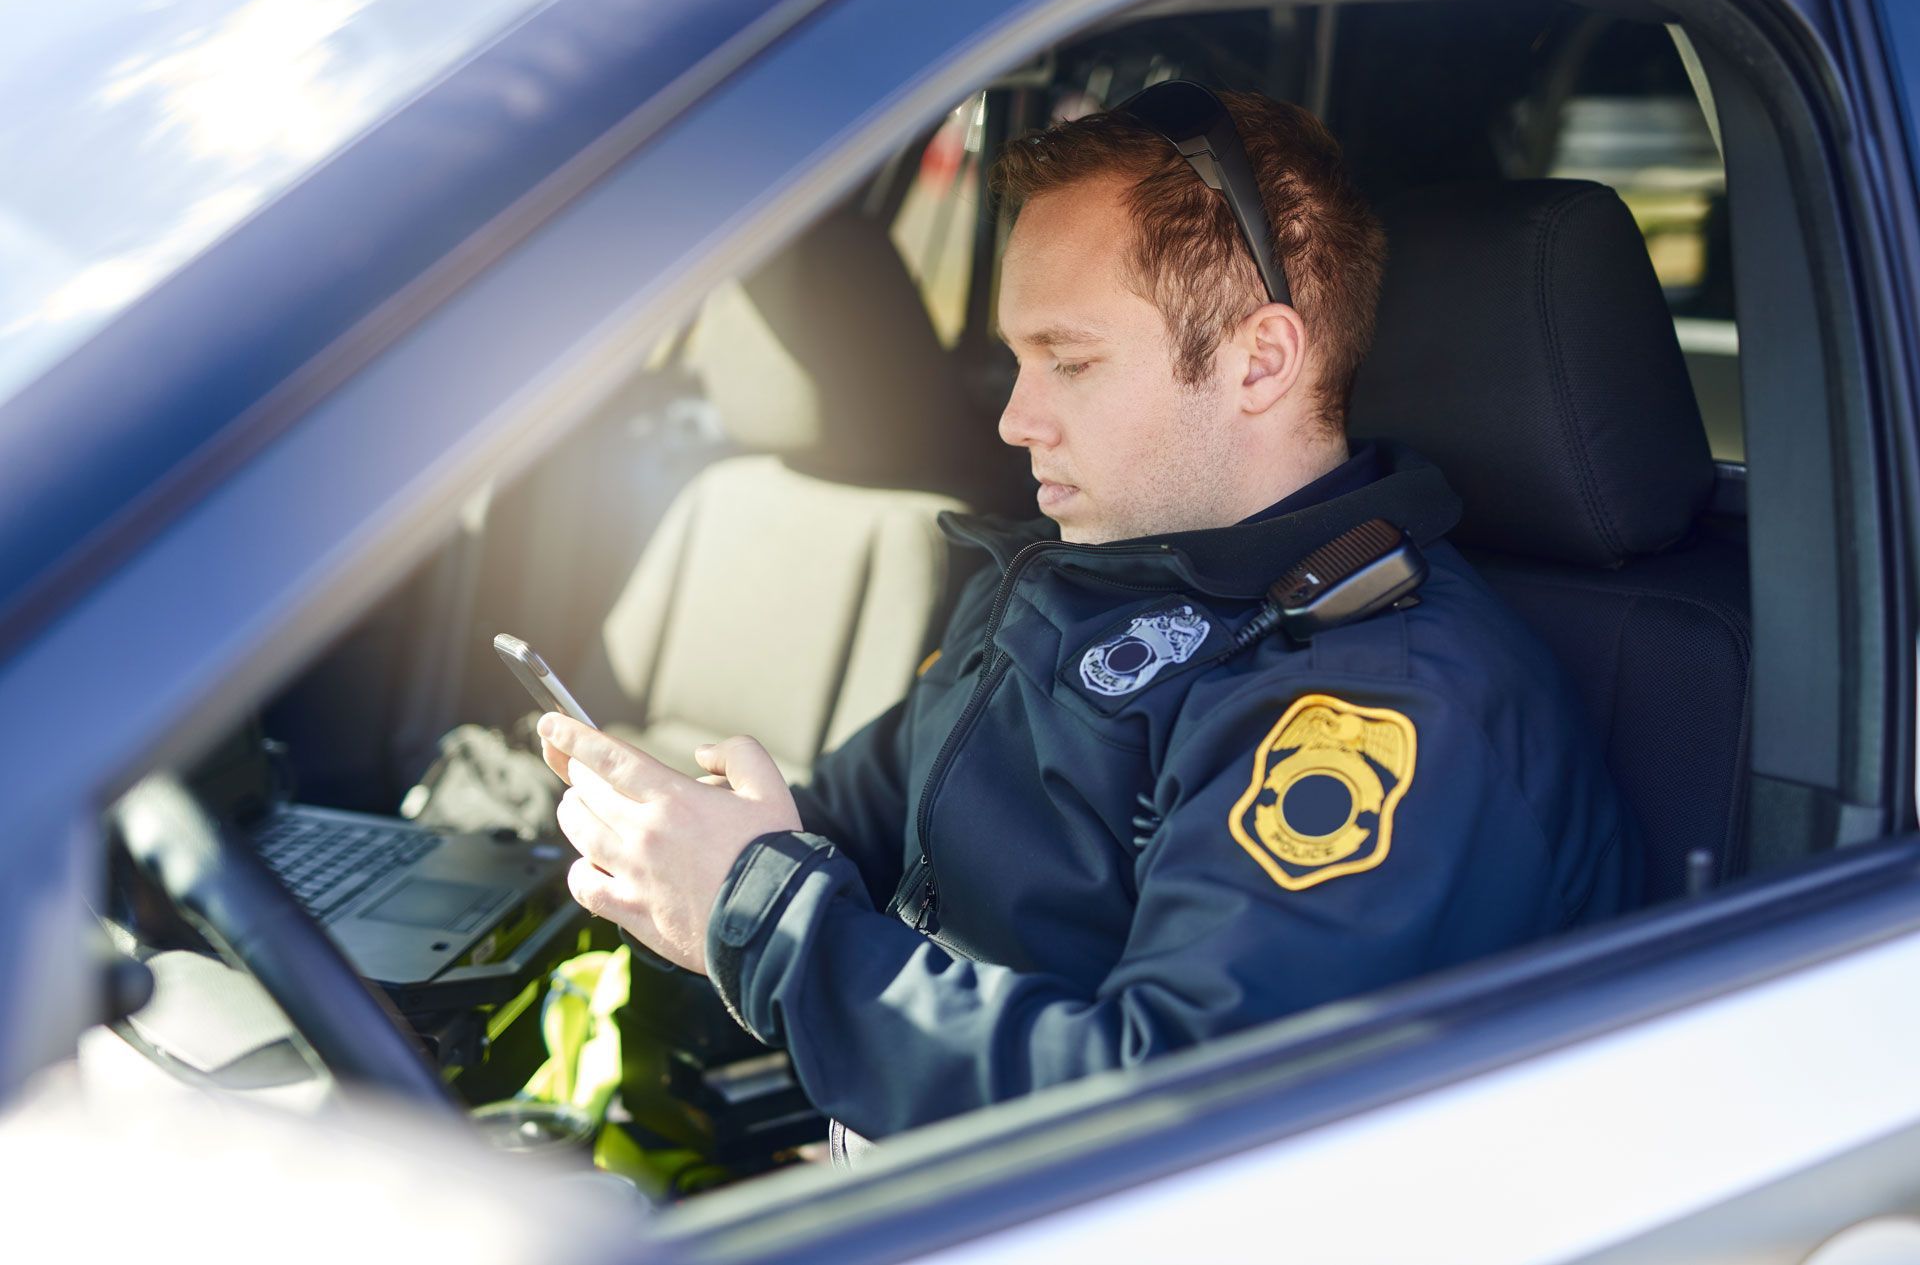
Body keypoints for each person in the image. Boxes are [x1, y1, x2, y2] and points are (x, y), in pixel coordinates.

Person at [536, 86, 1641, 1155]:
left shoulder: (1382, 702)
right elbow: (872, 824)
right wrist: (694, 839)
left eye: (1069, 361)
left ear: (1260, 361)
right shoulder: (1067, 579)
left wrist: (762, 918)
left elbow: (1167, 1125)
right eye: (1019, 359)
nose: (1017, 419)